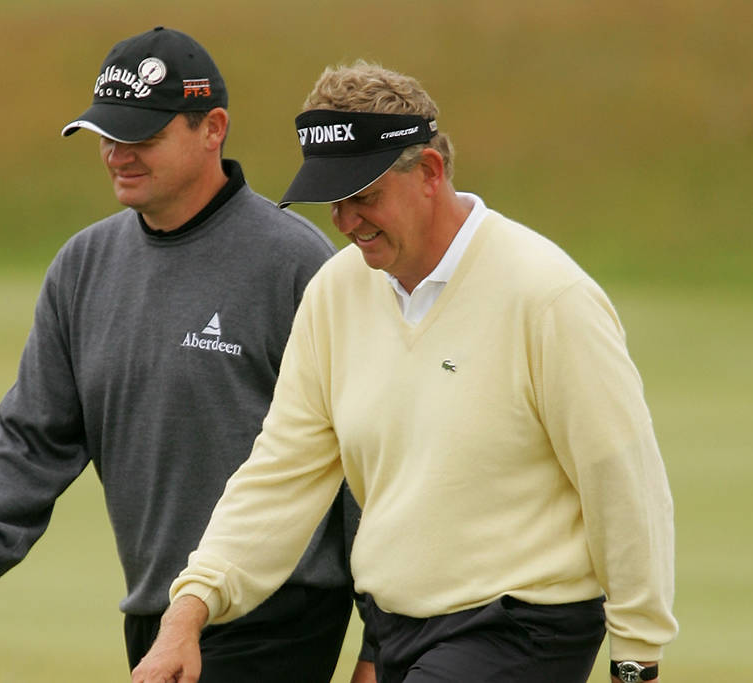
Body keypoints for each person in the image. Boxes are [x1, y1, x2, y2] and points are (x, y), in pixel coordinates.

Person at [133, 61, 679, 683]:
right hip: (397, 627)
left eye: (363, 197)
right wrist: (189, 610)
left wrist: (637, 654)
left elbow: (622, 479)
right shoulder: (336, 293)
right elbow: (279, 474)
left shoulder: (548, 296)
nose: (344, 222)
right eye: (333, 202)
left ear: (429, 173)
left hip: (524, 626)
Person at [0, 27, 360, 683]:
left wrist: (381, 638)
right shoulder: (83, 267)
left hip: (278, 609)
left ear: (213, 128)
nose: (117, 153)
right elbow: (34, 433)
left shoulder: (298, 265)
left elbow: (361, 454)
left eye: (141, 136)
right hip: (154, 608)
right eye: (106, 135)